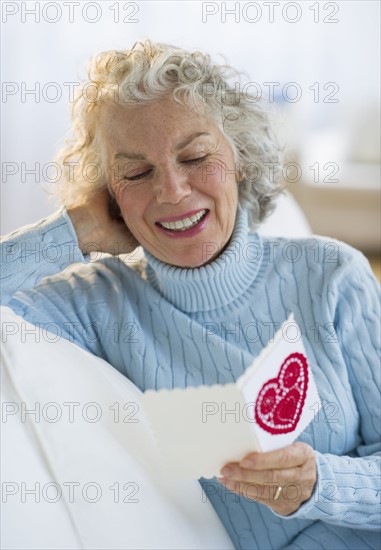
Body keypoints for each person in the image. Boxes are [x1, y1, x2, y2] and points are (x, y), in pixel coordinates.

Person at [1, 40, 380, 549]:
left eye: (196, 156)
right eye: (136, 172)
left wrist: (322, 485)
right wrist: (76, 228)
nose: (173, 191)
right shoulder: (94, 305)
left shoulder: (333, 275)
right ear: (109, 191)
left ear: (239, 158)